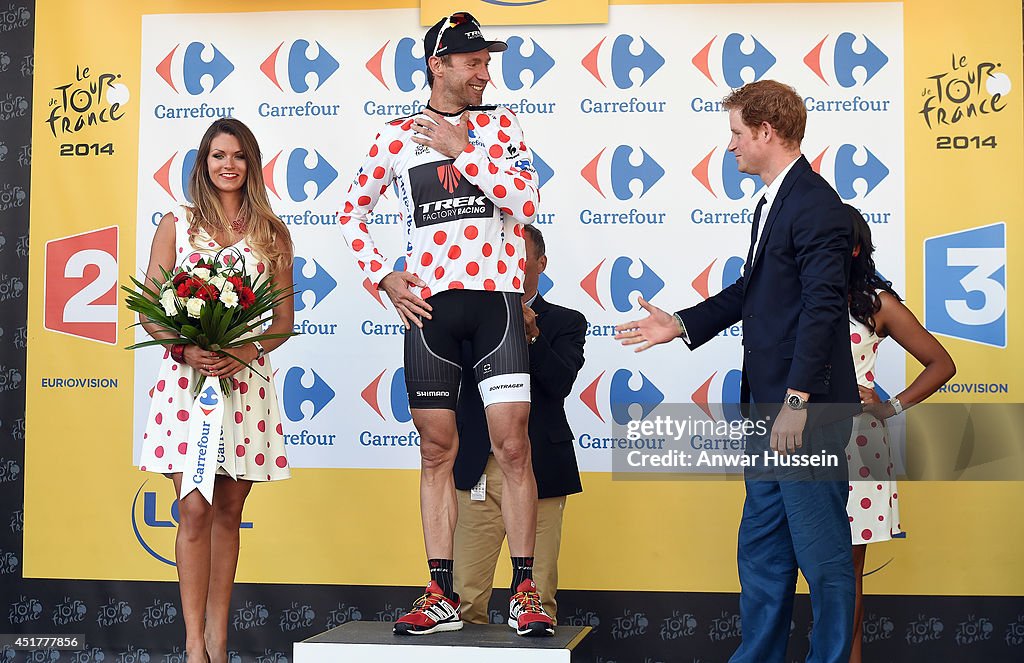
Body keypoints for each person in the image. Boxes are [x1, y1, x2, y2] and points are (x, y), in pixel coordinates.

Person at [616, 80, 860, 663]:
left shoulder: (818, 206)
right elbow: (755, 292)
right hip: (770, 410)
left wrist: (797, 401)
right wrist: (679, 323)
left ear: (766, 132)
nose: (730, 146)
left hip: (803, 412)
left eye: (735, 133)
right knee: (762, 554)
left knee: (824, 560)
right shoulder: (775, 201)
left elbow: (824, 309)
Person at [337, 11, 553, 637]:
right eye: (474, 62)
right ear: (439, 66)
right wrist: (382, 275)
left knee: (513, 446)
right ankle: (438, 590)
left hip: (497, 304)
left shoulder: (502, 126)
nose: (486, 72)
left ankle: (526, 590)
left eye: (488, 62)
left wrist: (464, 151)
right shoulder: (396, 135)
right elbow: (351, 212)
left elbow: (525, 201)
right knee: (437, 450)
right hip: (432, 308)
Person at [137, 118, 295, 663]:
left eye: (238, 156)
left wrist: (242, 353)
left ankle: (220, 643)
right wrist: (184, 349)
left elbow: (282, 322)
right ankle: (192, 646)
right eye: (216, 155)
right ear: (203, 164)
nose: (227, 165)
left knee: (229, 509)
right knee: (195, 509)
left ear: (251, 163)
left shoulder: (272, 231)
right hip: (188, 384)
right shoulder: (175, 224)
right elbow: (151, 307)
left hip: (244, 384)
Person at [453, 224, 586, 624]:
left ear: (540, 263)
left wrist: (531, 335)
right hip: (476, 467)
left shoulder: (566, 321)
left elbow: (559, 383)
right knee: (463, 597)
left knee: (538, 598)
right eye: (499, 252)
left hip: (540, 469)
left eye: (517, 253)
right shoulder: (466, 319)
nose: (506, 261)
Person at [843, 207, 955, 663]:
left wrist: (889, 406)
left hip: (855, 447)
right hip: (798, 444)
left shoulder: (876, 302)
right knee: (794, 567)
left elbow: (942, 363)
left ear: (853, 248)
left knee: (846, 579)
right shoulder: (795, 294)